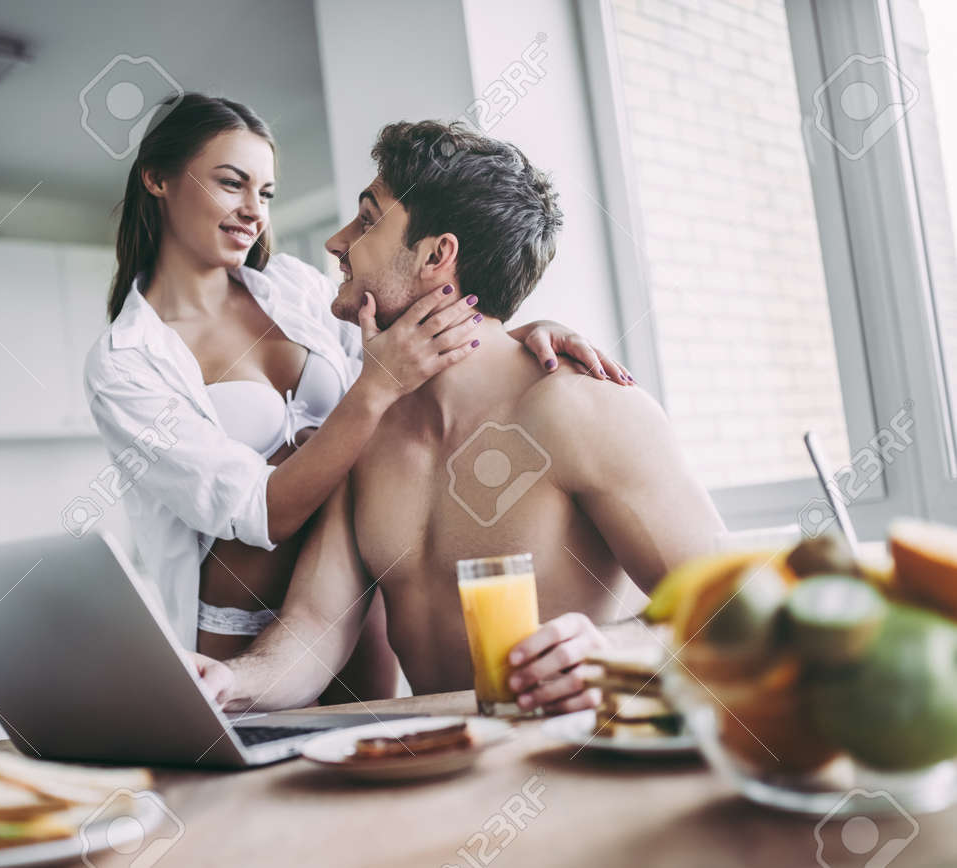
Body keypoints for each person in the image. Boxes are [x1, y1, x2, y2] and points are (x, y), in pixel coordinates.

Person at [84, 94, 634, 704]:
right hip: (240, 614)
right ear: (157, 179)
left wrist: (514, 329)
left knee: (364, 735)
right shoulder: (127, 360)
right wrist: (374, 390)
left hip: (351, 584)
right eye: (231, 183)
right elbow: (267, 510)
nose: (253, 211)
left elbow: (412, 319)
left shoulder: (292, 288)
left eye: (264, 193)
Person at [194, 120, 725, 714]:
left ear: (436, 255)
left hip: (577, 766)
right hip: (447, 767)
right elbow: (314, 628)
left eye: (368, 219)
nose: (337, 242)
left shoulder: (583, 407)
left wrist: (613, 654)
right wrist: (230, 681)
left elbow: (734, 612)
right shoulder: (365, 435)